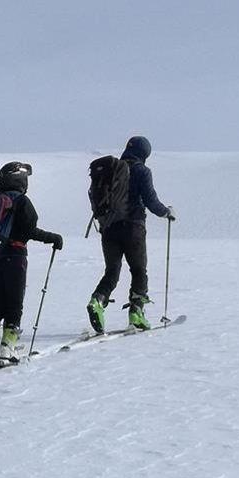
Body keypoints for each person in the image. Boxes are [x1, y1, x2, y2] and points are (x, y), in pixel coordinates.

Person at [0, 161, 62, 366]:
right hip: (14, 258)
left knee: (0, 302)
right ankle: (8, 348)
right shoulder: (21, 201)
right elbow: (29, 230)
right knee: (14, 305)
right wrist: (53, 238)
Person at [86, 135, 174, 333]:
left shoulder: (111, 171)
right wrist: (166, 212)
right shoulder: (141, 170)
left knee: (112, 271)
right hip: (133, 228)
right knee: (138, 270)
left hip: (109, 228)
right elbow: (151, 201)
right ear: (144, 153)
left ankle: (97, 300)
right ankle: (136, 313)